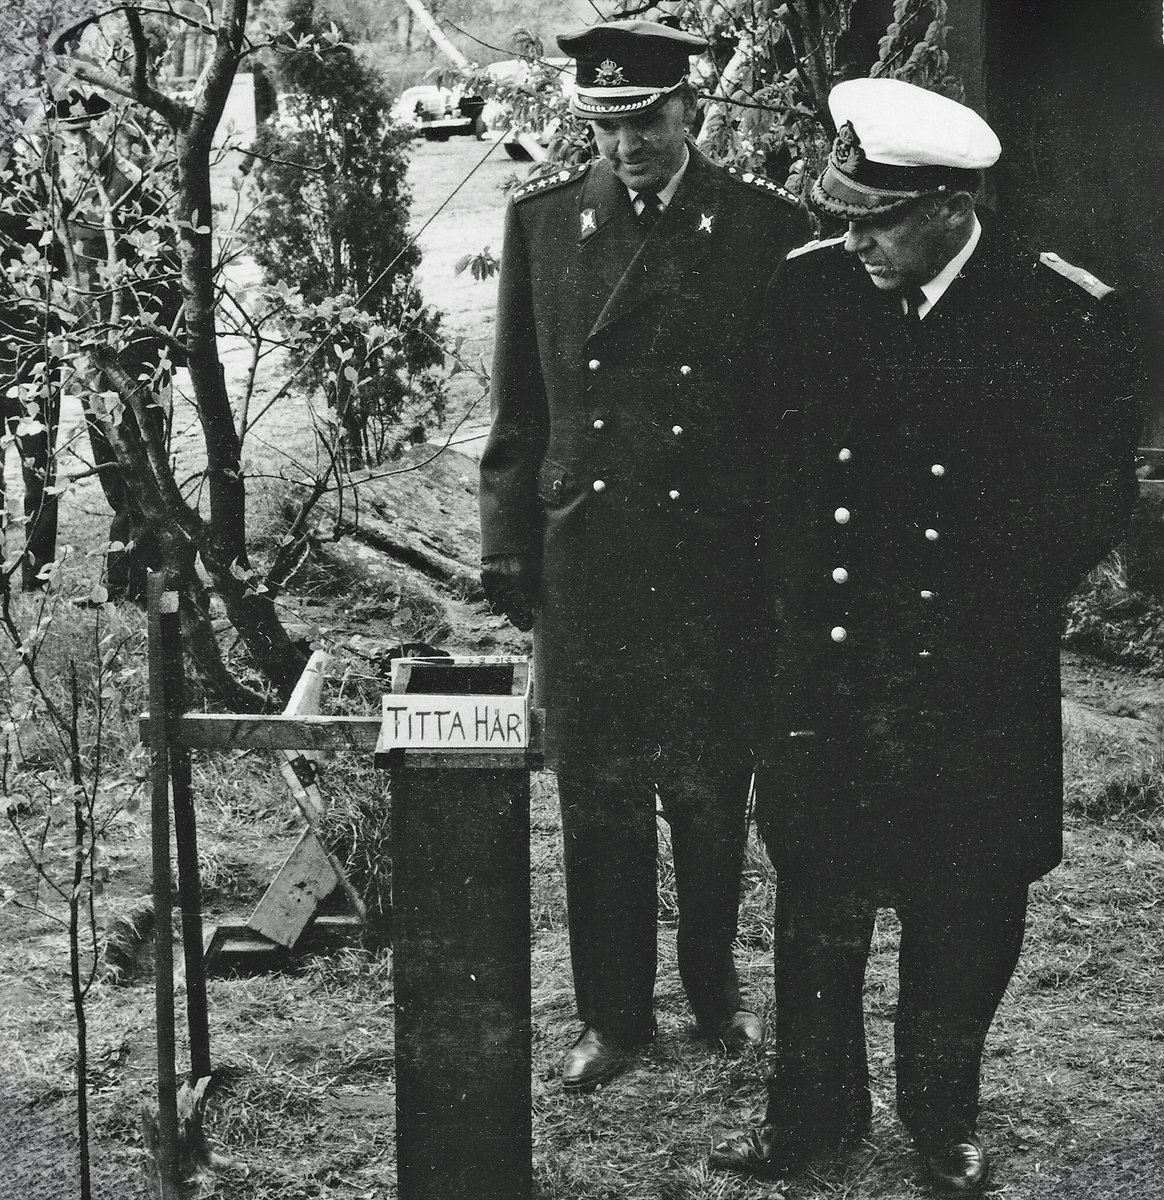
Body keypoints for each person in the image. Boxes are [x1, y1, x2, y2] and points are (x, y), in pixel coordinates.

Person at [710, 78, 1140, 1192]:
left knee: (967, 905)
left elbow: (1090, 496)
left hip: (972, 672)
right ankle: (811, 1118)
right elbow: (755, 467)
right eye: (843, 215)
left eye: (877, 218)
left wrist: (985, 608)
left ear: (951, 204)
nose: (853, 239)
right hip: (832, 666)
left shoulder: (1054, 308)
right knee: (818, 904)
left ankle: (940, 1115)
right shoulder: (804, 295)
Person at [478, 19, 809, 1091]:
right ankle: (614, 1020)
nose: (629, 147)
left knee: (712, 795)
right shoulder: (542, 228)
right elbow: (517, 416)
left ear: (689, 111)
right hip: (590, 564)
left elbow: (785, 424)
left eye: (648, 120)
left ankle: (716, 999)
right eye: (608, 125)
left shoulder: (765, 230)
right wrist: (508, 553)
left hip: (715, 567)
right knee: (601, 800)